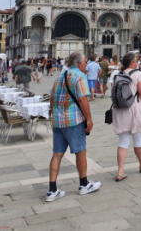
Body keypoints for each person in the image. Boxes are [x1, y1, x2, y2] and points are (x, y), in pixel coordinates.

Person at [46, 51, 100, 202]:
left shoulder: (59, 76)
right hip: (73, 120)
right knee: (80, 152)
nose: (86, 66)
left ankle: (52, 190)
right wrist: (89, 119)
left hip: (58, 121)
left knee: (57, 154)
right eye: (85, 63)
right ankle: (84, 184)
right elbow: (82, 99)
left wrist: (53, 115)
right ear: (79, 64)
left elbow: (51, 97)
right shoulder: (79, 76)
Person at [113, 52, 141, 181]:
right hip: (135, 109)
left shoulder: (118, 74)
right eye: (136, 61)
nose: (137, 62)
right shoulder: (138, 74)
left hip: (120, 110)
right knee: (138, 139)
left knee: (123, 142)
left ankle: (120, 171)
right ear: (132, 63)